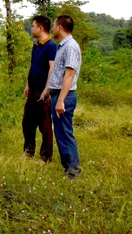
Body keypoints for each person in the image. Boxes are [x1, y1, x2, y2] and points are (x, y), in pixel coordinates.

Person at [48, 15, 82, 180]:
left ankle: (73, 171)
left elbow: (69, 75)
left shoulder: (70, 47)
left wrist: (61, 100)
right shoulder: (62, 46)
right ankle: (68, 168)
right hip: (58, 94)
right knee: (60, 132)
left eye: (54, 25)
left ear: (60, 27)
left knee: (65, 133)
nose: (53, 28)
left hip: (64, 96)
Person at [22, 15, 56, 163]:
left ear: (41, 28)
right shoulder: (36, 45)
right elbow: (33, 66)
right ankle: (28, 152)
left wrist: (47, 89)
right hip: (33, 90)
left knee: (45, 125)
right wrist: (27, 84)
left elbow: (52, 68)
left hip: (43, 91)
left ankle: (46, 156)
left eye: (33, 26)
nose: (31, 29)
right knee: (27, 123)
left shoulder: (51, 46)